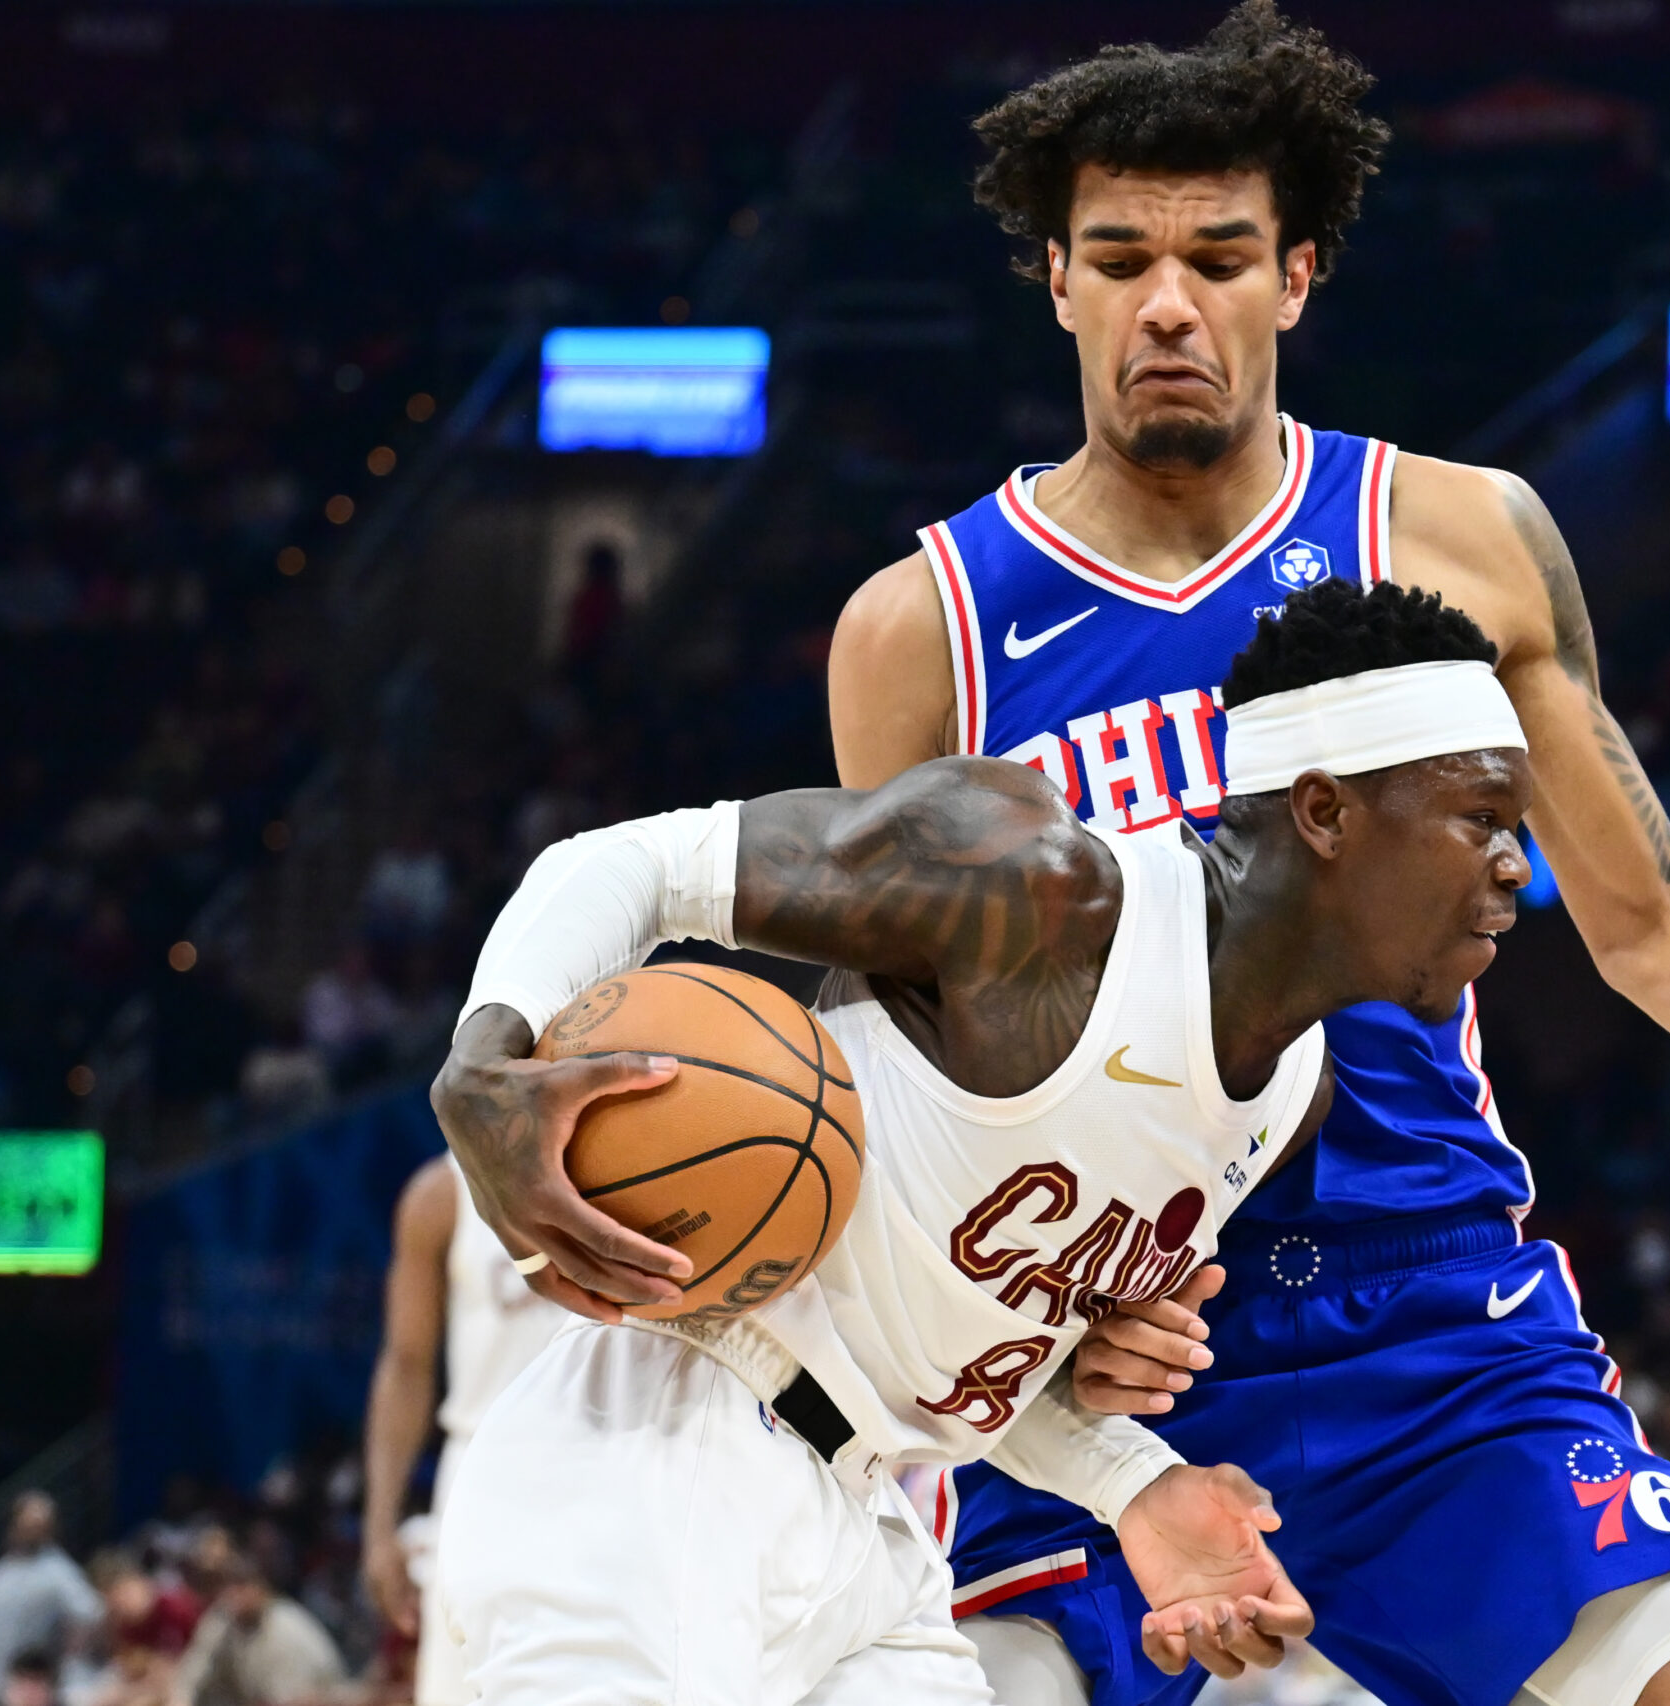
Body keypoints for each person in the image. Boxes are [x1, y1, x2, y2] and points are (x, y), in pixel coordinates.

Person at [434, 10, 1670, 1706]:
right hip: (1105, 1339)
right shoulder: (921, 628)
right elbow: (904, 1075)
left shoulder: (1459, 539)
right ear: (1058, 284)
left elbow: (1656, 923)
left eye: (1219, 253)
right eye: (1119, 257)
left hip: (1425, 1306)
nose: (1169, 299)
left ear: (1298, 277)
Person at [432, 594, 1558, 1704]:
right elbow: (643, 862)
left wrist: (1138, 1484)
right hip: (668, 1452)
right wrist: (490, 1054)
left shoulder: (1289, 1097)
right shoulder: (1035, 891)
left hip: (874, 1520)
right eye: (1481, 818)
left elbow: (991, 1359)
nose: (1515, 863)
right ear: (1324, 812)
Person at [360, 1152, 567, 1706]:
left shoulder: (646, 1160)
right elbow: (406, 1363)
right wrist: (381, 1528)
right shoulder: (441, 1193)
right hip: (483, 1480)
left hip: (611, 1467)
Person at [0, 1496, 98, 1705]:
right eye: (27, 1523)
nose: (32, 1529)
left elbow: (90, 1614)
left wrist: (66, 1660)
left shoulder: (59, 1570)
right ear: (14, 1525)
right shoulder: (0, 1571)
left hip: (32, 1685)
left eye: (39, 1524)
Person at [169, 1559, 343, 1706]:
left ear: (261, 1588)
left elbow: (295, 1700)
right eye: (230, 1587)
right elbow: (192, 1675)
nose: (235, 1597)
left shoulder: (287, 1630)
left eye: (243, 1587)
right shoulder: (223, 1620)